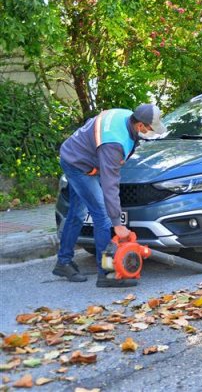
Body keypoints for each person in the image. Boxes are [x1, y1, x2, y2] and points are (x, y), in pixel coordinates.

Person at [53, 104, 166, 287]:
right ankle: (105, 273)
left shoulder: (128, 116)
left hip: (75, 154)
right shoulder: (114, 142)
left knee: (77, 213)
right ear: (140, 126)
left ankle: (63, 262)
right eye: (151, 129)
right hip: (77, 165)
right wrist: (117, 223)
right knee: (103, 217)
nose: (152, 133)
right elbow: (109, 185)